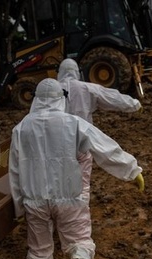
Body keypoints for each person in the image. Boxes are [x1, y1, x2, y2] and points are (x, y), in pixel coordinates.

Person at [8, 78, 145, 259]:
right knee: (81, 240)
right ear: (60, 98)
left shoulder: (21, 128)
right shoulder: (72, 123)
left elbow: (15, 172)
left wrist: (19, 209)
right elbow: (104, 147)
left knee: (39, 250)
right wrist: (132, 170)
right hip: (69, 196)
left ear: (37, 99)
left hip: (35, 200)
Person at [57, 58, 142, 203]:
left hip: (56, 142)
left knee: (58, 175)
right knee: (82, 176)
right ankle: (77, 205)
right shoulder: (88, 88)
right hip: (83, 139)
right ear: (77, 72)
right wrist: (134, 104)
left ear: (59, 72)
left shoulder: (49, 92)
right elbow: (113, 98)